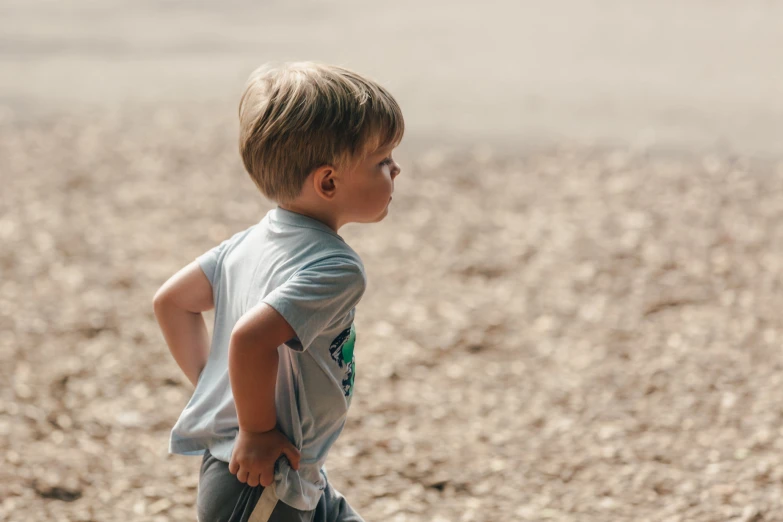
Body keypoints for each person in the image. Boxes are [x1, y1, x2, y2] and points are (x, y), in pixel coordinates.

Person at [152, 62, 404, 521]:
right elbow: (249, 340)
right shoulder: (336, 267)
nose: (397, 168)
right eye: (382, 161)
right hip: (265, 475)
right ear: (329, 182)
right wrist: (255, 427)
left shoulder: (250, 240)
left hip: (287, 466)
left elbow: (172, 303)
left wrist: (222, 391)